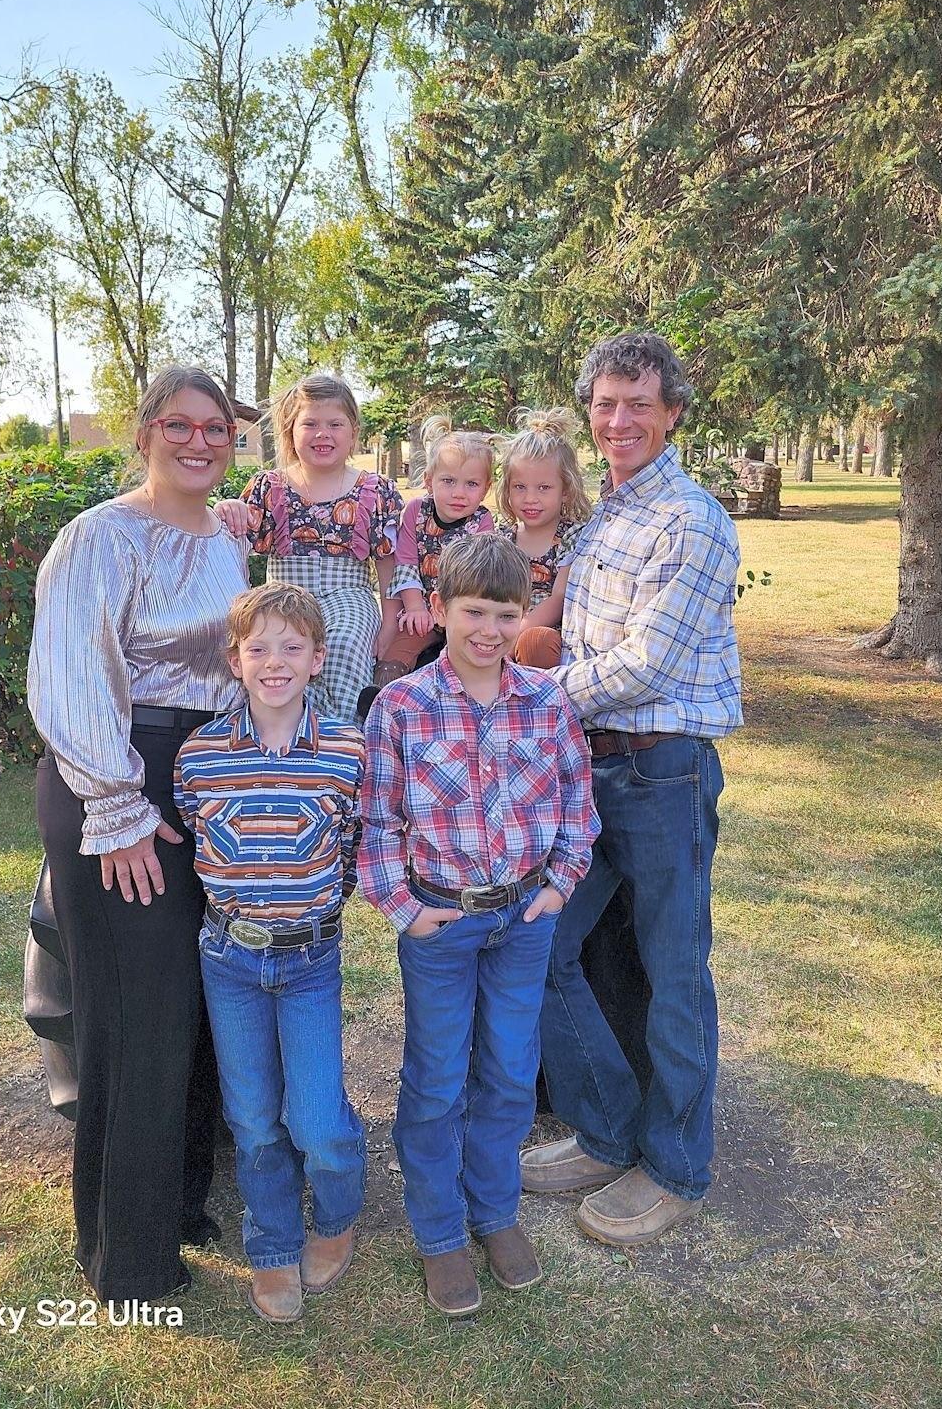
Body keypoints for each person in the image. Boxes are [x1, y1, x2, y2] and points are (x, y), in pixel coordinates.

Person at [28, 365, 250, 1302]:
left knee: (192, 1002)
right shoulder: (99, 536)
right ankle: (127, 1255)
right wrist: (117, 813)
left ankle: (180, 1203)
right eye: (179, 426)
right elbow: (74, 675)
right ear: (145, 431)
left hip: (202, 780)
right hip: (117, 776)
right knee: (136, 1014)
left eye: (216, 429)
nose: (199, 442)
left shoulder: (226, 537)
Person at [520, 330, 743, 1248]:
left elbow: (646, 665)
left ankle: (677, 1167)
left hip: (662, 770)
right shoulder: (604, 515)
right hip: (589, 766)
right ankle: (609, 1131)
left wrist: (527, 699)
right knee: (540, 946)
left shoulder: (692, 520)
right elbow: (566, 633)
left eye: (639, 404)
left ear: (673, 413)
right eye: (606, 404)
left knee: (673, 973)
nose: (619, 420)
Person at [359, 533, 598, 1317]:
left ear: (525, 615)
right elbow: (377, 822)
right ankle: (439, 1230)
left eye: (505, 614)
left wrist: (560, 885)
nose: (489, 630)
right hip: (443, 924)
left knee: (509, 1069)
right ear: (439, 609)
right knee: (435, 1077)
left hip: (524, 918)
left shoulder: (547, 701)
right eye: (473, 612)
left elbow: (575, 799)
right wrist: (404, 909)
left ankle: (494, 1212)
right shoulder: (402, 707)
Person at [173, 583, 367, 1324]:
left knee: (316, 1121)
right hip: (230, 961)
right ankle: (274, 1242)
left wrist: (310, 912)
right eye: (259, 648)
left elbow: (349, 853)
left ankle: (337, 1216)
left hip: (311, 961)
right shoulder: (200, 758)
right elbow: (194, 838)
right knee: (253, 1117)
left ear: (318, 658)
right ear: (235, 660)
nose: (275, 661)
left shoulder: (347, 753)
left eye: (292, 647)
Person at [215, 376, 402, 725]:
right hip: (283, 595)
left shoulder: (374, 490)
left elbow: (388, 559)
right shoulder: (270, 486)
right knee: (280, 648)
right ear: (290, 431)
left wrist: (389, 622)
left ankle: (343, 736)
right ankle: (284, 734)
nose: (323, 434)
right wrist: (229, 510)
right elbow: (235, 543)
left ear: (353, 433)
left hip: (349, 595)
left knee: (342, 644)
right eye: (310, 424)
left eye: (335, 424)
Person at [368, 415, 496, 691]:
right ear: (429, 481)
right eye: (448, 481)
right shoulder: (416, 512)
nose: (459, 493)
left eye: (471, 484)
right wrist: (415, 607)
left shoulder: (482, 522)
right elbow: (405, 562)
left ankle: (460, 695)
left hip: (463, 611)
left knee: (467, 653)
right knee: (402, 643)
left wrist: (454, 614)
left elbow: (480, 577)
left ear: (486, 488)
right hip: (422, 608)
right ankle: (383, 694)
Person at [493, 406, 592, 635]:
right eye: (519, 487)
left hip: (545, 635)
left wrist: (515, 634)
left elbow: (559, 598)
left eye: (544, 488)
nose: (530, 499)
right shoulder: (503, 539)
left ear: (565, 490)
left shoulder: (571, 537)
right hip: (500, 631)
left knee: (535, 642)